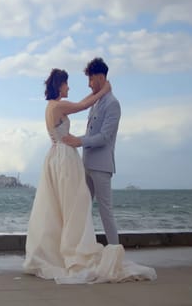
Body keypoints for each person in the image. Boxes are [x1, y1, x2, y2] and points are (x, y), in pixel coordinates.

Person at [23, 68, 155, 284]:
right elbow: (83, 105)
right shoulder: (60, 105)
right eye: (66, 83)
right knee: (75, 204)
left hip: (55, 155)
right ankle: (75, 250)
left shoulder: (52, 106)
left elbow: (82, 102)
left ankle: (65, 247)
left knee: (65, 206)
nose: (69, 87)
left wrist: (101, 91)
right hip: (65, 157)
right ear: (59, 85)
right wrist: (105, 90)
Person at [63, 57, 119, 245]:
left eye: (91, 79)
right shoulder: (96, 102)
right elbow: (90, 131)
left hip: (102, 167)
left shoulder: (113, 104)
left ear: (101, 78)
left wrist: (79, 141)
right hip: (87, 164)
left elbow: (104, 137)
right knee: (82, 210)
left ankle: (115, 254)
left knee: (105, 212)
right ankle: (82, 249)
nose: (88, 84)